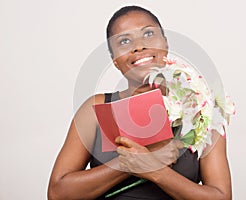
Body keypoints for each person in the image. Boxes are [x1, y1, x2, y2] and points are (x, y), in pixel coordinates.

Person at [48, 5, 232, 200]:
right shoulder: (96, 109)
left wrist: (157, 171)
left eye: (148, 34)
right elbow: (58, 194)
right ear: (115, 60)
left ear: (165, 44)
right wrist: (127, 164)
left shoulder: (201, 108)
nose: (139, 46)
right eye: (124, 41)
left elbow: (221, 196)